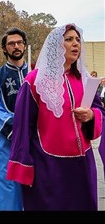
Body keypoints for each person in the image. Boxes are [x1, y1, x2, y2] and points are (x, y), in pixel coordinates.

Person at [7, 23, 105, 210]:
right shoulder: (35, 81)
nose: (75, 44)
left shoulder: (84, 79)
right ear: (55, 46)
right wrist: (23, 167)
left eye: (77, 39)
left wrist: (92, 115)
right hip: (48, 168)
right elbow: (22, 128)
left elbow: (101, 112)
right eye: (68, 39)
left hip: (83, 165)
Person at [0, 27, 28, 211]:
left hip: (34, 140)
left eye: (19, 42)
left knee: (34, 184)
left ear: (25, 46)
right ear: (4, 48)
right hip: (7, 141)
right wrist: (17, 126)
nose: (16, 46)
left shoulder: (37, 73)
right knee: (9, 185)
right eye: (11, 43)